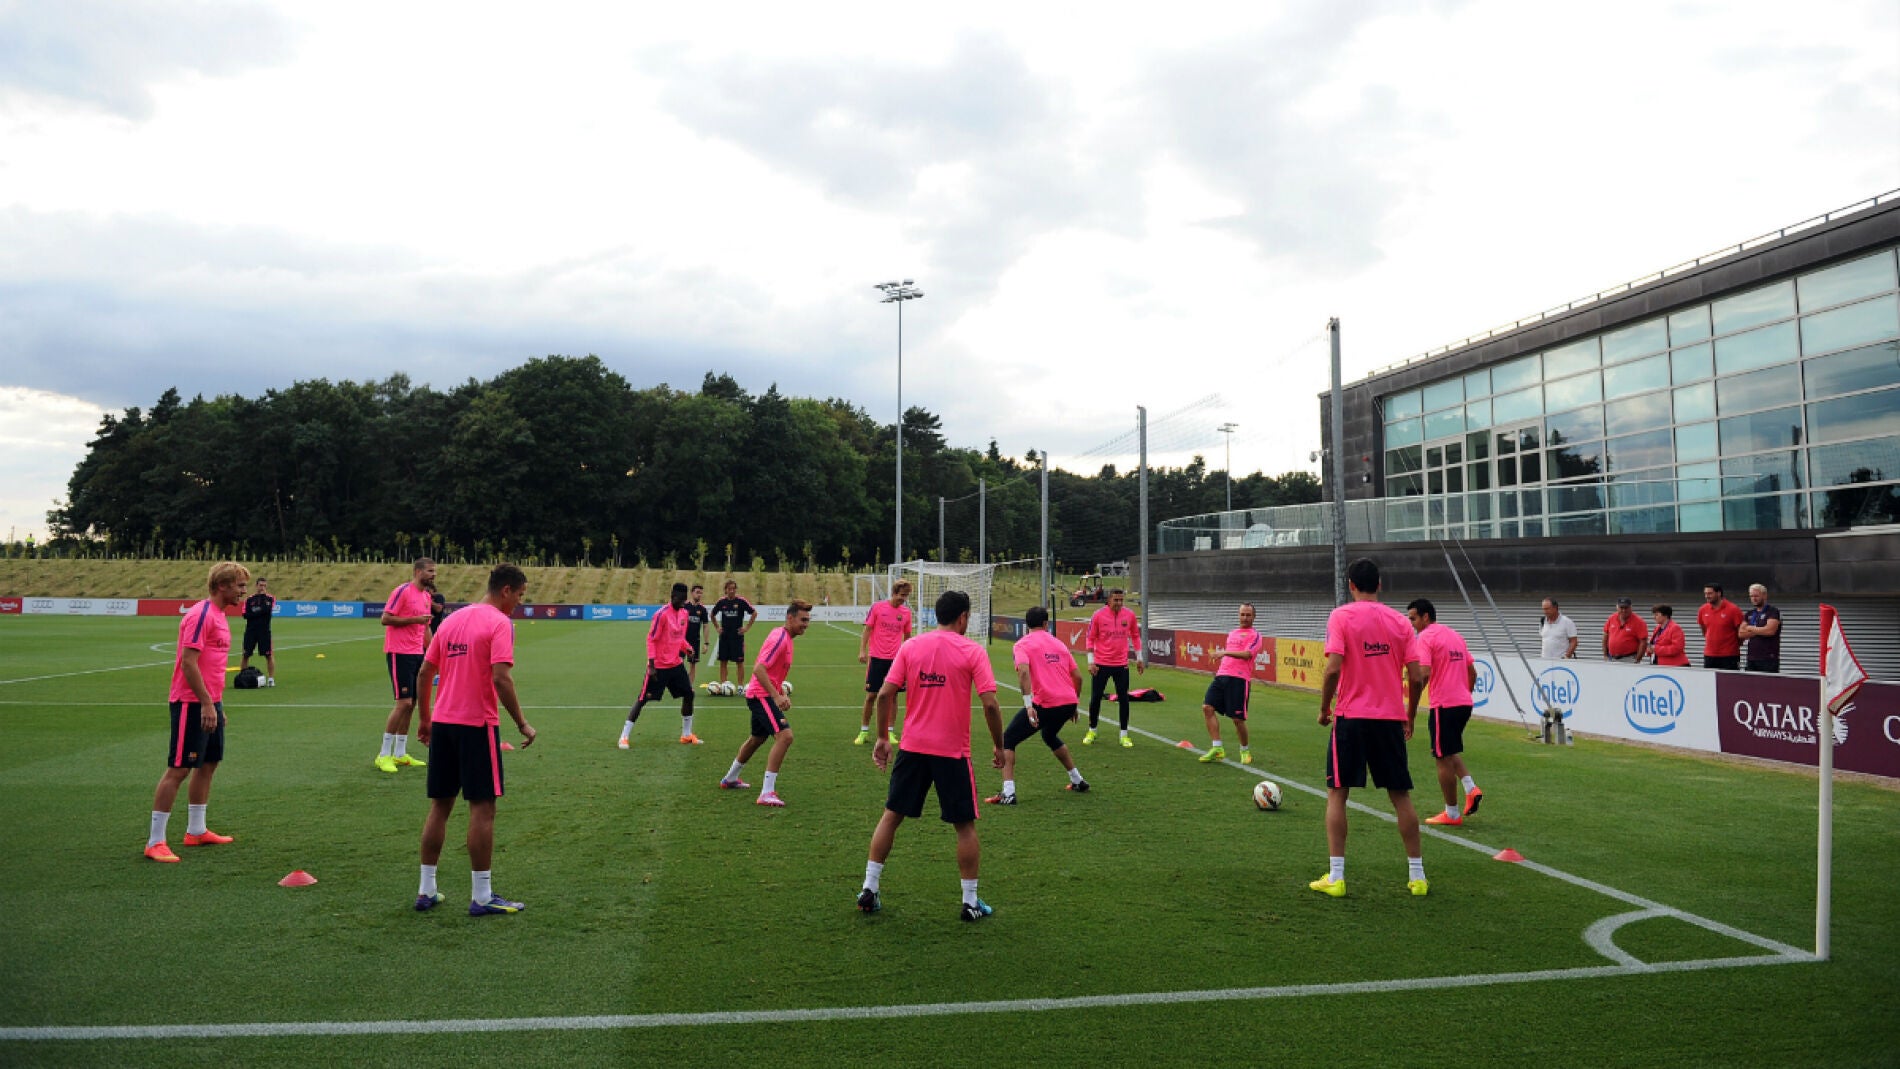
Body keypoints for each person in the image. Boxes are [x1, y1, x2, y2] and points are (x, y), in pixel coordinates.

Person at [857, 589, 1005, 921]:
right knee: (964, 826)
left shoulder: (911, 646)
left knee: (891, 816)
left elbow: (884, 695)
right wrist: (999, 744)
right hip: (952, 752)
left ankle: (869, 888)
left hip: (912, 747)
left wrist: (882, 737)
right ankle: (969, 902)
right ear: (963, 617)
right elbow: (991, 704)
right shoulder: (973, 650)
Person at [413, 563, 536, 915]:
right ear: (507, 590)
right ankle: (482, 896)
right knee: (482, 807)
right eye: (520, 596)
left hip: (444, 723)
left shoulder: (451, 620)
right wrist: (522, 723)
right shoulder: (499, 623)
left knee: (440, 805)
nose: (519, 605)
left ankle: (426, 890)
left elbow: (425, 671)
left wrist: (425, 720)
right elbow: (501, 678)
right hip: (477, 725)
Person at [1312, 557, 1429, 899]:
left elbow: (1333, 669)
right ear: (1380, 585)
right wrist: (1410, 715)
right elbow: (1418, 675)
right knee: (1400, 796)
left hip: (1351, 717)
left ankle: (1336, 876)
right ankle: (1418, 876)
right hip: (1390, 719)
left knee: (1338, 793)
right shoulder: (1400, 622)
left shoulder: (1341, 616)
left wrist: (1324, 708)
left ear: (1350, 585)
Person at [144, 562, 251, 862]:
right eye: (240, 586)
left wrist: (217, 705)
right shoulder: (201, 615)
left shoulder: (219, 615)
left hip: (209, 702)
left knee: (209, 764)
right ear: (222, 586)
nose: (244, 591)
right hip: (191, 702)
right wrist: (206, 703)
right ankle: (155, 841)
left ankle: (196, 830)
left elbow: (212, 665)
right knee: (179, 769)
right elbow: (188, 662)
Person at [986, 605, 1088, 804]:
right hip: (1067, 702)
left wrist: (1028, 704)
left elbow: (1023, 672)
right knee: (1049, 735)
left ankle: (1008, 793)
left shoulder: (1023, 644)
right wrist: (1073, 703)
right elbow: (1078, 677)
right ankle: (1077, 780)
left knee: (1007, 740)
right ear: (1045, 624)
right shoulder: (1059, 644)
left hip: (1045, 703)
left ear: (1026, 625)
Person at [720, 600, 813, 806]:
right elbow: (759, 669)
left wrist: (780, 693)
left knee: (757, 739)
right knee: (785, 737)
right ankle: (767, 792)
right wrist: (776, 696)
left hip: (762, 693)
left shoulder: (787, 638)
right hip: (760, 695)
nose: (806, 624)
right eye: (803, 619)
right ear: (790, 618)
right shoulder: (780, 638)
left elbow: (772, 673)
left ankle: (730, 778)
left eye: (808, 620)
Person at [1406, 598, 1483, 827]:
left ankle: (1452, 813)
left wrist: (1411, 713)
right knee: (1448, 751)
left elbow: (1423, 675)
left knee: (1441, 757)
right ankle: (1471, 788)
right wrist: (1463, 694)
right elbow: (1473, 673)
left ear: (1425, 617)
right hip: (1463, 704)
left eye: (1413, 619)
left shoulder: (1426, 637)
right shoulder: (1455, 635)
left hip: (1445, 705)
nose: (1412, 625)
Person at [374, 558, 438, 774]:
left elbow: (426, 627)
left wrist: (433, 654)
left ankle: (400, 753)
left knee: (412, 704)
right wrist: (414, 620)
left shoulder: (427, 597)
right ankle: (383, 754)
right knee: (403, 703)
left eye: (434, 571)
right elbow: (385, 619)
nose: (433, 575)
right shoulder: (402, 591)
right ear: (418, 571)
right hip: (398, 652)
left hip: (417, 653)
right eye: (430, 571)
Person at [619, 583, 701, 747]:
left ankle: (686, 734)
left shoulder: (684, 613)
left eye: (685, 599)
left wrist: (688, 648)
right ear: (673, 597)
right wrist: (651, 665)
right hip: (659, 666)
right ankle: (624, 736)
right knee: (643, 699)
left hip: (676, 665)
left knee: (689, 694)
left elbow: (679, 638)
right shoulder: (661, 615)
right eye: (680, 599)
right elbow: (651, 639)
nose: (683, 603)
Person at [1199, 602, 1265, 765]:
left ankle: (1245, 750)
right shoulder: (1233, 633)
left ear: (1254, 617)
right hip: (1222, 675)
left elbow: (1247, 654)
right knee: (1207, 707)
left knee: (1237, 719)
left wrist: (1225, 652)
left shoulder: (1255, 636)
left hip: (1239, 679)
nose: (1245, 618)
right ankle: (1217, 747)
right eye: (1242, 614)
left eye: (1248, 615)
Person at [1082, 589, 1144, 748]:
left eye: (1121, 600)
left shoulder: (1129, 615)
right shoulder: (1098, 615)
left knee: (1124, 698)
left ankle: (1124, 734)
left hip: (1121, 664)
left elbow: (1135, 636)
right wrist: (1091, 661)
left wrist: (1139, 658)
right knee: (1096, 698)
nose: (1119, 603)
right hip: (1101, 664)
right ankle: (1092, 730)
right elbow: (1090, 638)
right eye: (1116, 600)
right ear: (1109, 600)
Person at [855, 580, 913, 745]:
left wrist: (908, 657)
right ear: (894, 593)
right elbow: (867, 629)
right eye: (902, 595)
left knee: (893, 696)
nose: (904, 599)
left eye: (906, 596)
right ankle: (864, 731)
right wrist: (862, 650)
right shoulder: (878, 607)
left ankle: (890, 732)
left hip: (896, 660)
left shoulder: (906, 613)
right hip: (877, 658)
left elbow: (908, 637)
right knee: (872, 695)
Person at [711, 579, 757, 690]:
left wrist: (746, 627)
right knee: (723, 661)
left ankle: (740, 686)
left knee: (739, 662)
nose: (732, 591)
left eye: (733, 589)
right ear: (725, 590)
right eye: (729, 589)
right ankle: (723, 685)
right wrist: (717, 627)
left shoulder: (741, 601)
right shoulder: (721, 602)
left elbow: (754, 613)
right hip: (724, 637)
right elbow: (712, 614)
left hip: (737, 637)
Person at [1696, 583, 1745, 670]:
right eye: (1705, 594)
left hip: (1729, 656)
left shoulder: (1733, 609)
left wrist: (1734, 645)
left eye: (1710, 593)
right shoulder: (1702, 610)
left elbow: (1741, 632)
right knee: (1709, 682)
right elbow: (1704, 630)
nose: (1707, 596)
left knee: (1730, 682)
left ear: (1719, 593)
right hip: (1709, 654)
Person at [239, 577, 277, 686]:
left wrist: (256, 611)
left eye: (264, 586)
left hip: (264, 631)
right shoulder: (249, 600)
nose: (262, 588)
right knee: (246, 654)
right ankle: (243, 676)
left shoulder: (270, 598)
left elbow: (267, 609)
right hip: (251, 631)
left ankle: (271, 679)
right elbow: (246, 615)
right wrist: (259, 611)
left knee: (268, 655)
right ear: (256, 586)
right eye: (261, 585)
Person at [1739, 583, 1782, 673]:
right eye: (1751, 596)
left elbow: (1770, 631)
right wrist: (1761, 630)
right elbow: (1741, 633)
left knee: (1768, 685)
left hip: (1768, 658)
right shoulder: (1750, 614)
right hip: (1752, 658)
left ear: (1764, 595)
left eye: (1756, 596)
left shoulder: (1772, 611)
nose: (1754, 599)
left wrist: (1750, 628)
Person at [1601, 597, 1649, 663]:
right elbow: (1605, 637)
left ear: (1631, 607)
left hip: (1629, 659)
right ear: (1617, 607)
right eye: (1621, 608)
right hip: (1611, 658)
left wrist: (1637, 659)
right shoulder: (1611, 618)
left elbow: (1643, 642)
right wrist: (1605, 655)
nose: (1624, 610)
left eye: (1626, 608)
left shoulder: (1639, 622)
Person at [683, 584, 712, 687]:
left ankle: (689, 687)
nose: (699, 595)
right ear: (692, 593)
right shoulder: (684, 606)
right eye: (697, 592)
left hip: (695, 641)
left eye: (701, 593)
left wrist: (706, 643)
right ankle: (678, 684)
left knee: (693, 665)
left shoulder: (702, 609)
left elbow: (705, 626)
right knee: (677, 663)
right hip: (682, 640)